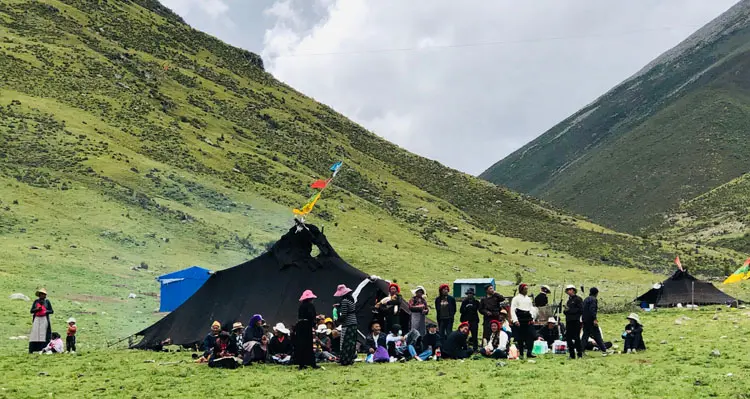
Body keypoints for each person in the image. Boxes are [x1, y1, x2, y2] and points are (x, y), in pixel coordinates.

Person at [510, 283, 537, 359]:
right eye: (525, 289)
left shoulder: (528, 299)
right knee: (520, 338)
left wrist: (532, 318)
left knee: (531, 336)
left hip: (528, 318)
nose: (526, 290)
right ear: (521, 289)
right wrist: (515, 320)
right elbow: (513, 310)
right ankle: (521, 353)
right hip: (520, 318)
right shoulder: (516, 299)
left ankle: (529, 352)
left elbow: (531, 309)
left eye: (527, 289)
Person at [334, 284, 358, 366]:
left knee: (345, 342)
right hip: (354, 322)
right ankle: (350, 358)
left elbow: (344, 314)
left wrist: (338, 321)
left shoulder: (344, 301)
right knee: (351, 342)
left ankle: (344, 359)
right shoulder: (351, 300)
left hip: (347, 323)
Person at [295, 289, 318, 369]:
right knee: (308, 345)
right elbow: (312, 316)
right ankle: (312, 363)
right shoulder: (310, 306)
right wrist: (314, 324)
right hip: (307, 326)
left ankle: (301, 364)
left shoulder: (301, 306)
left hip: (300, 326)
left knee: (301, 345)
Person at [581, 287, 608, 356]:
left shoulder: (586, 299)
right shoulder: (593, 299)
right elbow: (592, 310)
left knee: (585, 336)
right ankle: (604, 350)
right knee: (597, 335)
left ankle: (581, 351)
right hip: (591, 320)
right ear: (596, 293)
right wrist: (594, 319)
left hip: (585, 320)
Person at [29, 288, 54, 354]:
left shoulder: (47, 302)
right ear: (39, 295)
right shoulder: (36, 302)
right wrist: (37, 309)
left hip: (44, 319)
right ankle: (33, 349)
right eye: (42, 294)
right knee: (35, 334)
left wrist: (46, 311)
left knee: (44, 334)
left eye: (44, 294)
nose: (43, 295)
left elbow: (51, 311)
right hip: (37, 319)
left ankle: (44, 349)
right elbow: (31, 311)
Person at [563, 285, 583, 359]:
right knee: (568, 338)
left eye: (569, 290)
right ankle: (572, 355)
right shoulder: (568, 301)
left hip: (576, 321)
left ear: (573, 290)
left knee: (576, 338)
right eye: (567, 290)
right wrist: (565, 311)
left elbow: (581, 310)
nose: (568, 291)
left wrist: (570, 311)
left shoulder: (578, 299)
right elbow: (566, 312)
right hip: (569, 321)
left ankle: (579, 354)